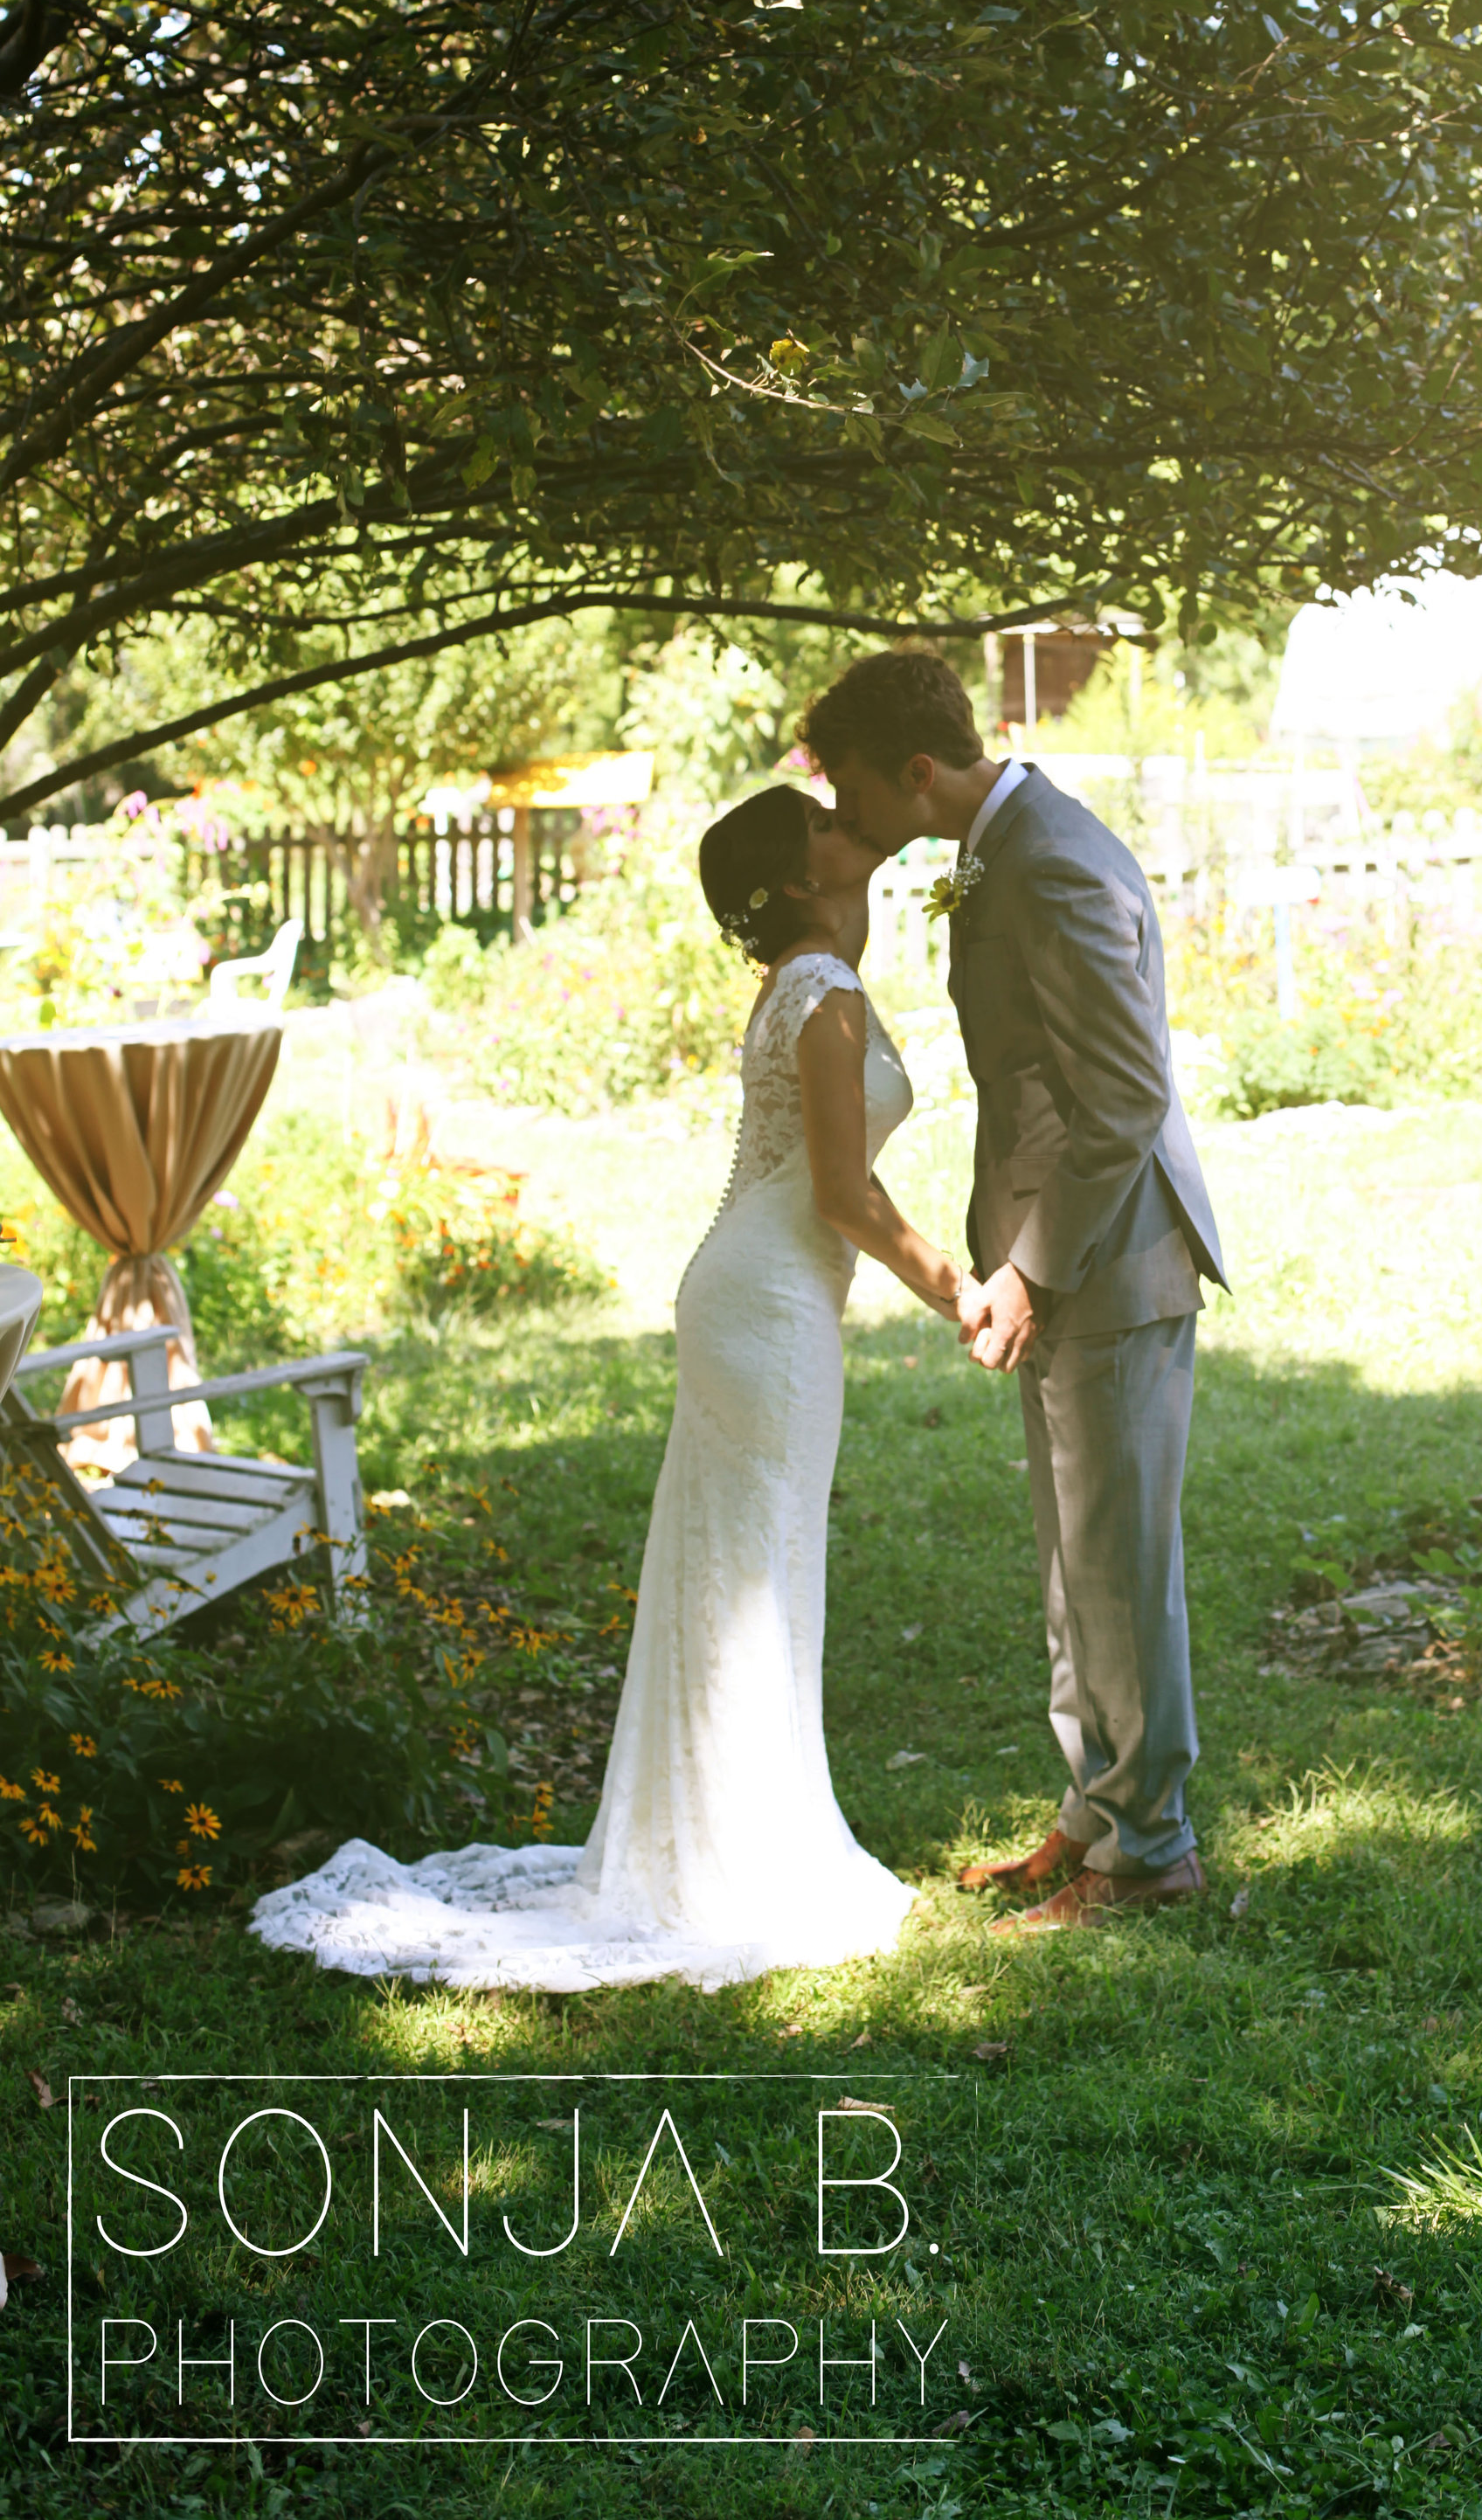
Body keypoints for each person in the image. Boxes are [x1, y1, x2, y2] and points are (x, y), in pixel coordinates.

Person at [248, 786, 956, 1991]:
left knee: (755, 1563)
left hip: (758, 1292)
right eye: (826, 827)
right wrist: (962, 1287)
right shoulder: (821, 994)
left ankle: (745, 1838)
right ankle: (741, 1860)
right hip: (770, 1303)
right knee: (755, 1565)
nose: (851, 830)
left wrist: (864, 873)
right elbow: (846, 1193)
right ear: (792, 877)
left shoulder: (809, 973)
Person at [804, 647, 1226, 1935]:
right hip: (1052, 1254)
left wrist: (1028, 1265)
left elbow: (1123, 1099)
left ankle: (1152, 1849)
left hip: (1109, 1256)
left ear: (916, 773)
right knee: (1071, 1562)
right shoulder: (1003, 845)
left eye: (848, 789)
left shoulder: (1051, 855)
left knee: (1119, 1563)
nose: (841, 817)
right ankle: (1093, 1816)